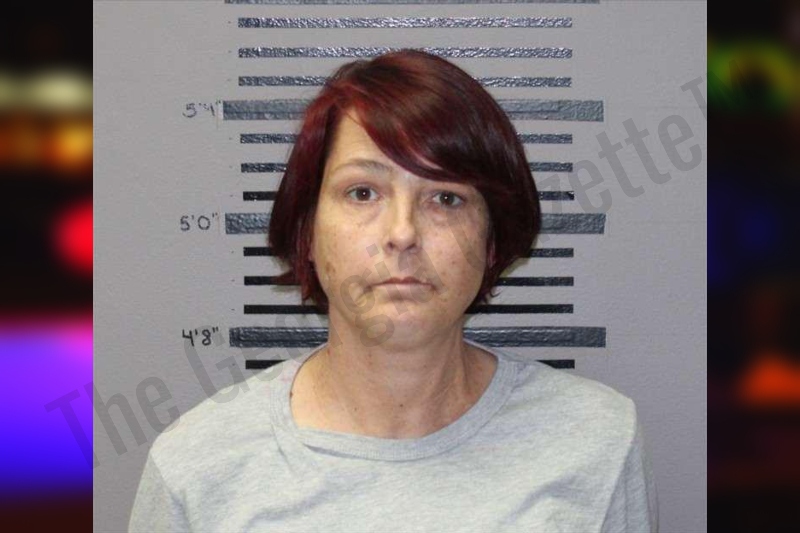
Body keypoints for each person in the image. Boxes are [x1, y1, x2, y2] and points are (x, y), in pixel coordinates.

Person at [129, 49, 658, 532]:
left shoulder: (597, 442)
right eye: (363, 192)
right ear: (308, 232)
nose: (402, 233)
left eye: (445, 198)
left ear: (492, 240)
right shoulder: (197, 469)